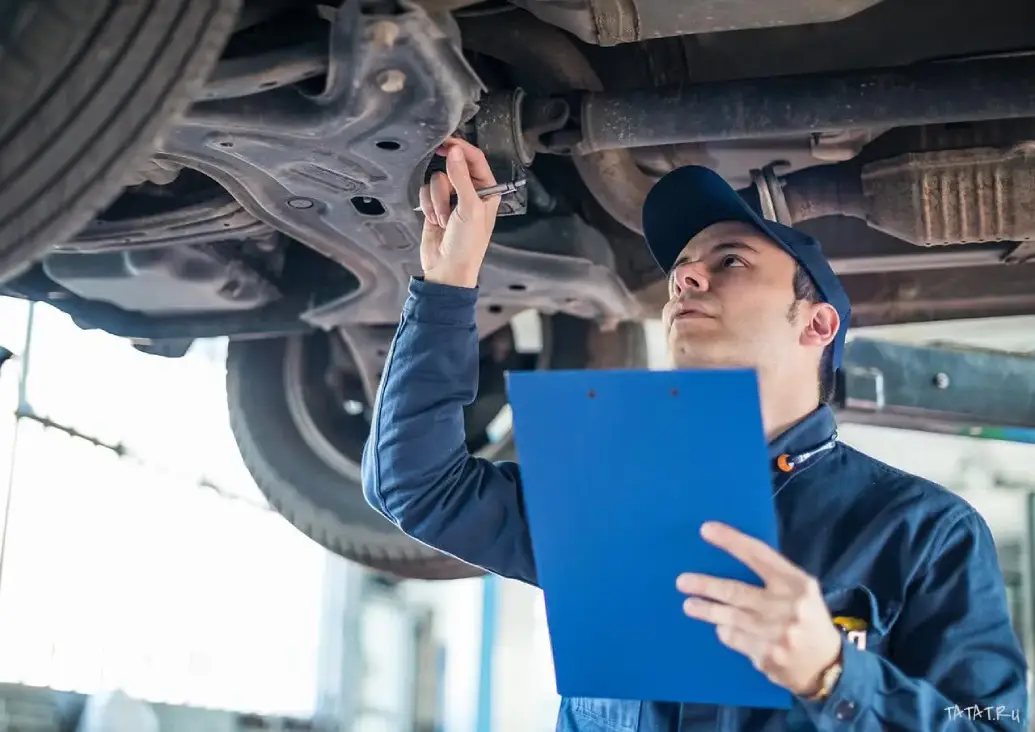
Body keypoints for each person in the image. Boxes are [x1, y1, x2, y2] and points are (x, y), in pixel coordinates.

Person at [361, 137, 1029, 731]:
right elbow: (418, 487)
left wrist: (832, 674)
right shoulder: (608, 499)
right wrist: (446, 283)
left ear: (817, 324)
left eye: (731, 261)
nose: (683, 276)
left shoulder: (924, 533)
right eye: (681, 266)